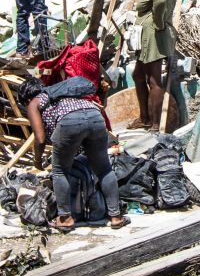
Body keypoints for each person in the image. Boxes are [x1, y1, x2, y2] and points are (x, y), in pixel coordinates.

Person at [17, 77, 126, 231]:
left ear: (26, 98)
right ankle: (116, 216)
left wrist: (37, 162)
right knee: (104, 169)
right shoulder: (62, 91)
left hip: (69, 122)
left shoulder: (34, 102)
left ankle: (65, 218)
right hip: (95, 116)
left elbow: (40, 139)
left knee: (60, 171)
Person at [133, 0, 180, 131]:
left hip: (152, 35)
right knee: (138, 76)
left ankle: (153, 123)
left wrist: (158, 22)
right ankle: (144, 118)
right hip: (156, 34)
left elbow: (159, 0)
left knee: (153, 81)